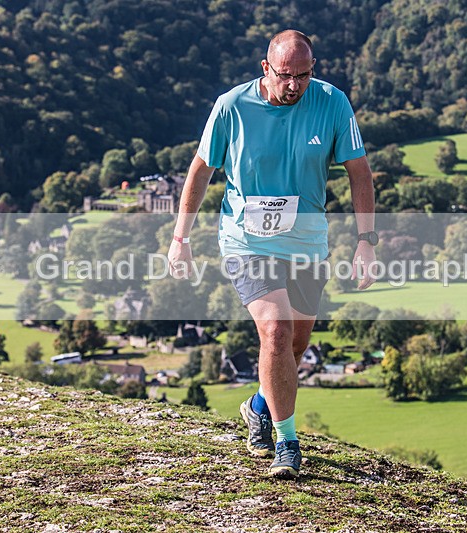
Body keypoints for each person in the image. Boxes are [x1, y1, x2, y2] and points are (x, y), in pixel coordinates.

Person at [168, 29, 377, 479]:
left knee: (294, 346)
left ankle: (259, 406)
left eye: (303, 75)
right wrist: (180, 238)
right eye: (285, 75)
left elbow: (359, 172)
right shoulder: (231, 107)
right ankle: (287, 443)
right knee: (277, 331)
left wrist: (366, 240)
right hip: (247, 241)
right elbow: (201, 169)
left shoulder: (333, 103)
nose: (294, 85)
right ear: (266, 68)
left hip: (307, 243)